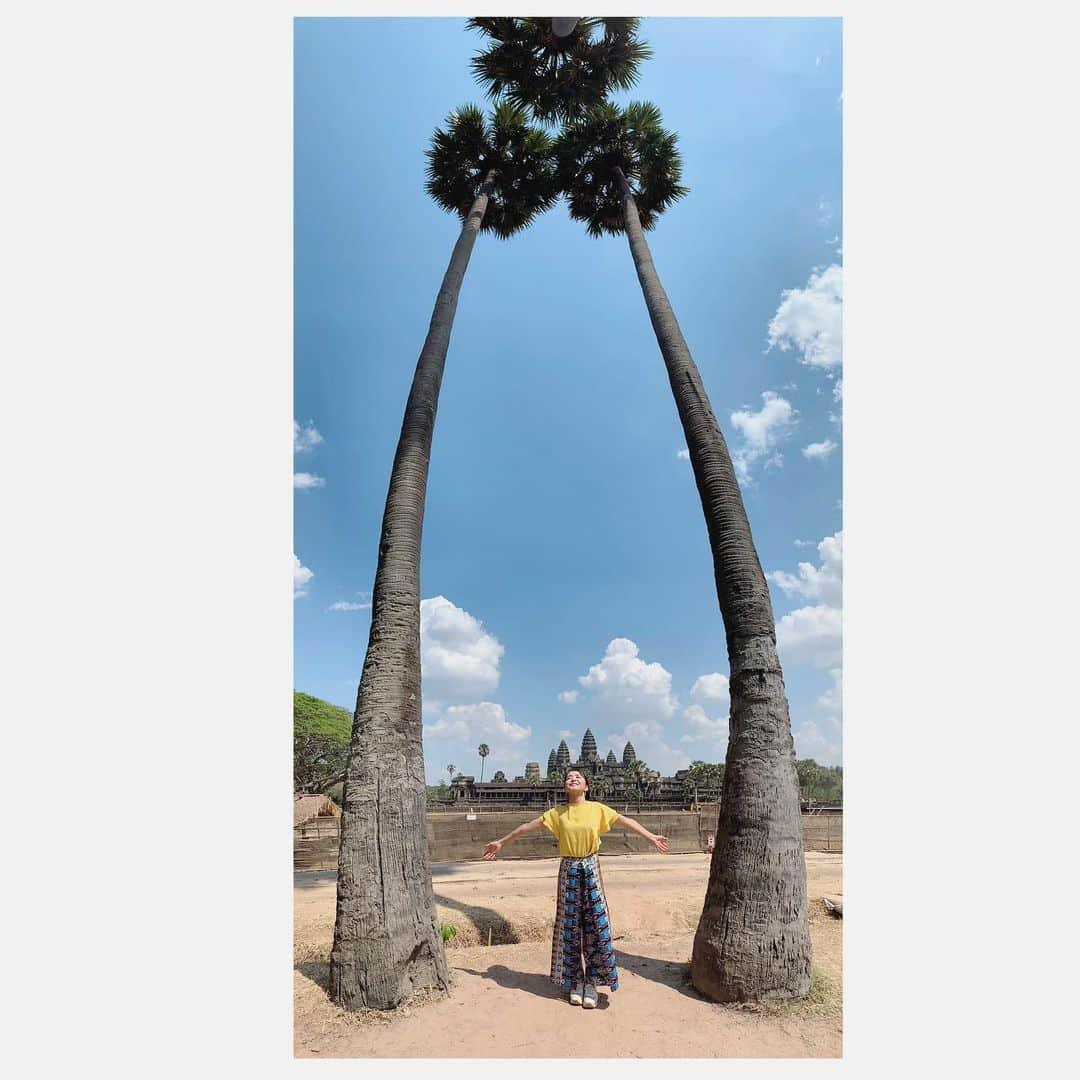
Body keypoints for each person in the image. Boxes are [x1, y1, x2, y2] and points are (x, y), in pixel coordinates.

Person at [482, 769, 669, 1008]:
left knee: (595, 925)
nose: (573, 778)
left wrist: (650, 837)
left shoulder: (598, 810)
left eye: (578, 777)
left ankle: (591, 981)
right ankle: (574, 981)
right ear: (565, 788)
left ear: (586, 787)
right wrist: (501, 842)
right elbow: (525, 828)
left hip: (590, 867)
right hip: (568, 869)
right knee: (569, 927)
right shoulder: (557, 814)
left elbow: (626, 821)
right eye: (569, 777)